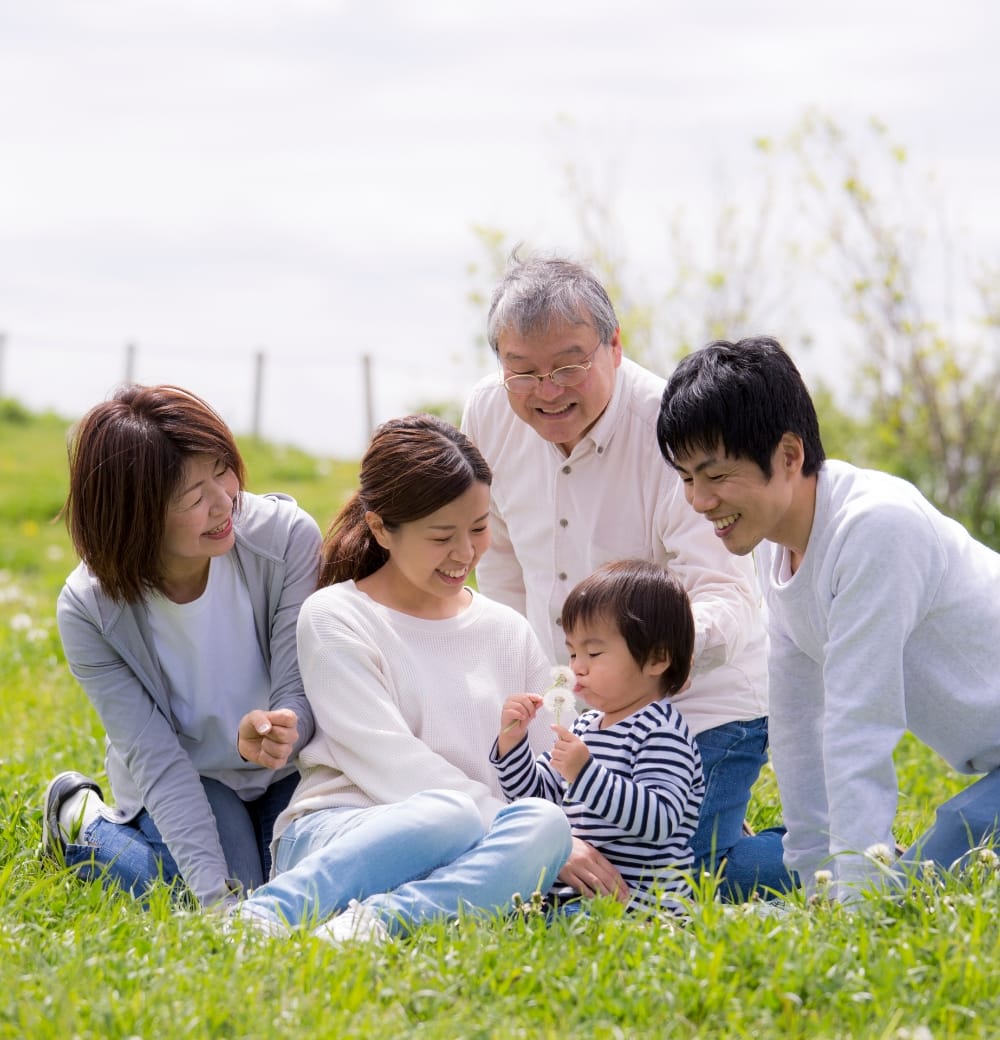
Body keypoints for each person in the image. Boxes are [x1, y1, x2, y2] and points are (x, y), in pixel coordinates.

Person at [462, 252, 791, 900]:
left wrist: (646, 666)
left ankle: (837, 847)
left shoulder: (672, 427)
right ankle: (716, 824)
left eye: (568, 366)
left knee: (678, 879)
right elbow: (499, 564)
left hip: (701, 702)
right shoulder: (487, 414)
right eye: (523, 372)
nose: (548, 390)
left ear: (614, 346)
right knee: (555, 867)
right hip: (576, 709)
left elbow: (727, 594)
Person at [657, 336, 1000, 902]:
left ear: (789, 455)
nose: (699, 501)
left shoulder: (875, 529)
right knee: (915, 870)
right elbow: (797, 721)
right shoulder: (776, 546)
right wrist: (815, 877)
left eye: (715, 476)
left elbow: (857, 724)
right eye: (687, 478)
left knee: (923, 878)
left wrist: (855, 900)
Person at [229, 414, 571, 943]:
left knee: (548, 823)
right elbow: (393, 766)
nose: (465, 553)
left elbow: (551, 768)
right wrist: (506, 832)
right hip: (348, 830)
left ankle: (371, 927)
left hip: (475, 839)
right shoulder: (336, 616)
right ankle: (267, 913)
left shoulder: (507, 629)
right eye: (442, 536)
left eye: (479, 528)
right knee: (448, 814)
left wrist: (559, 840)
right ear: (382, 528)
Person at [43, 384, 322, 909]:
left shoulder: (286, 539)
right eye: (194, 498)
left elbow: (297, 688)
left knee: (302, 890)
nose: (225, 503)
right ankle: (79, 822)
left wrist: (286, 729)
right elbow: (159, 761)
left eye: (223, 469)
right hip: (191, 776)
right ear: (137, 518)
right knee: (224, 894)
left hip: (290, 768)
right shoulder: (89, 610)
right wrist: (217, 901)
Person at [492, 559, 704, 918]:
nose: (577, 665)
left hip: (640, 905)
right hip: (581, 895)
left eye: (593, 653)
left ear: (656, 659)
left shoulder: (661, 731)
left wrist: (586, 773)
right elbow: (536, 798)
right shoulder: (586, 726)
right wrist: (513, 746)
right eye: (573, 652)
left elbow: (660, 819)